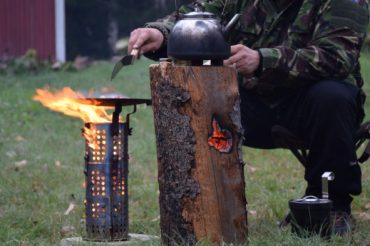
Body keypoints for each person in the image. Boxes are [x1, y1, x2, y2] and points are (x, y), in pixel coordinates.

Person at [128, 0, 369, 235]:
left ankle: (330, 206)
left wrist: (263, 59)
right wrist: (161, 32)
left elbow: (336, 57)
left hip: (311, 108)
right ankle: (200, 203)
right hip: (251, 105)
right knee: (197, 88)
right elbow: (201, 16)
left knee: (332, 97)